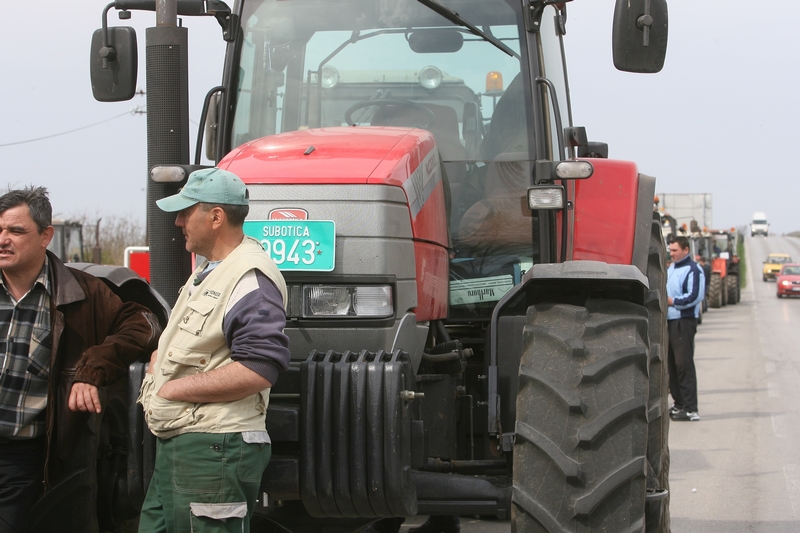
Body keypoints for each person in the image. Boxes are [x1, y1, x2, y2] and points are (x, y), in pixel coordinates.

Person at [137, 168, 290, 532]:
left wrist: (173, 388)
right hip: (189, 441)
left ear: (216, 217)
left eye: (186, 211)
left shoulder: (248, 276)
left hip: (214, 446)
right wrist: (160, 359)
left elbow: (259, 368)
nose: (177, 222)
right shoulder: (210, 270)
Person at [0, 186, 160, 533]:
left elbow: (144, 325)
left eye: (15, 231)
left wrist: (93, 368)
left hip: (24, 458)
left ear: (46, 236)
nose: (3, 240)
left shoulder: (83, 292)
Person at [666, 237, 705, 422]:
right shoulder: (671, 269)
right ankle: (679, 404)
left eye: (675, 250)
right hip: (669, 321)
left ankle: (691, 408)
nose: (672, 254)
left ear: (686, 250)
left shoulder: (693, 269)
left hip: (684, 321)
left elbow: (695, 295)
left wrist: (673, 302)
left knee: (684, 364)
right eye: (671, 250)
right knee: (672, 365)